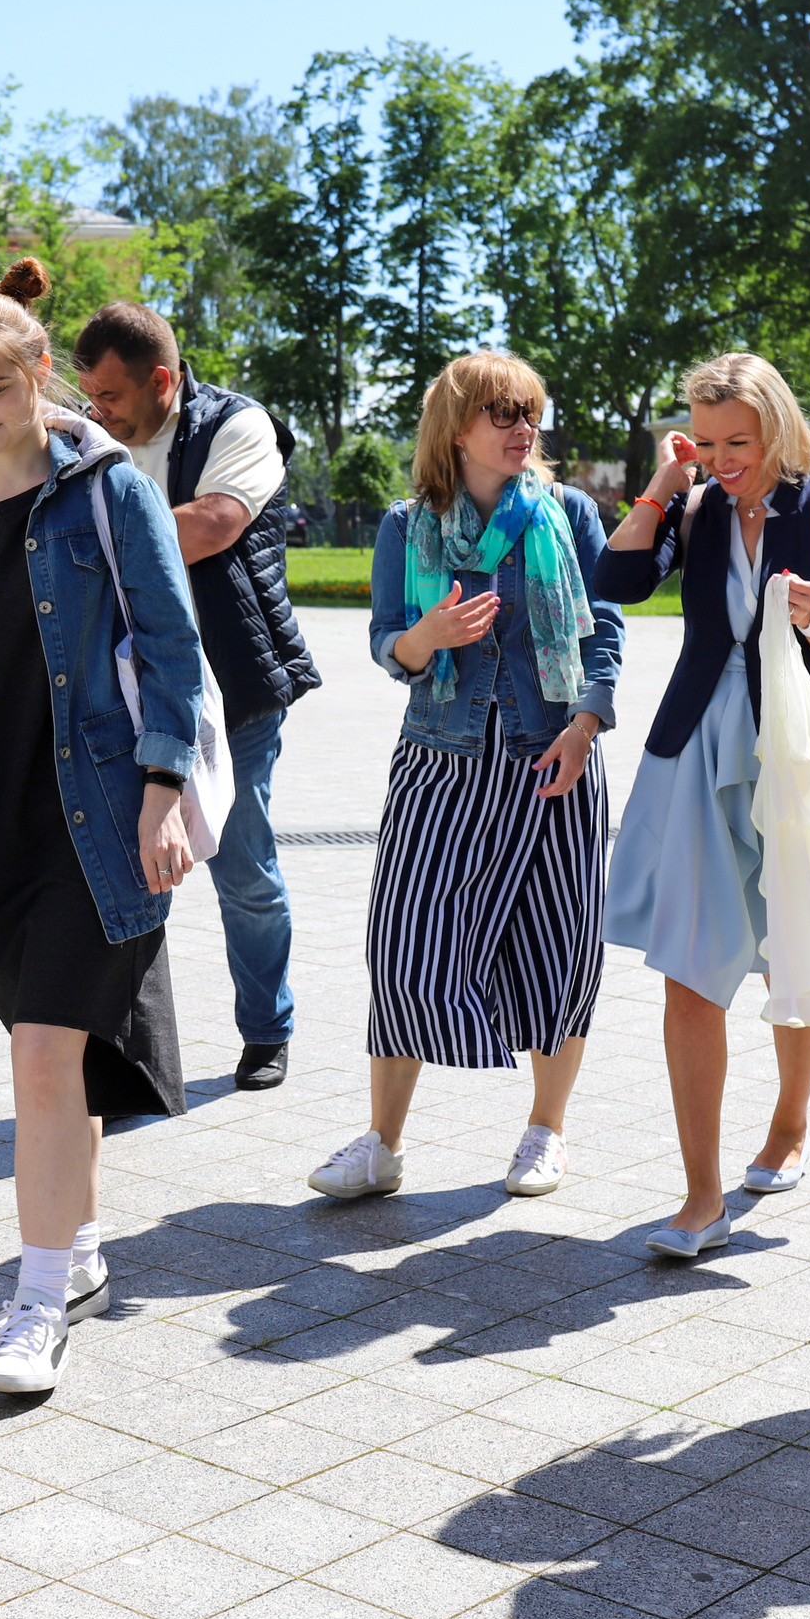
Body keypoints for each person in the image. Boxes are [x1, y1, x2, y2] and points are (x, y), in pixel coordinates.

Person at [0, 259, 207, 1397]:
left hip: (95, 816)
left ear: (38, 371)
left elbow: (171, 648)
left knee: (43, 1056)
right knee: (59, 1059)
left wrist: (164, 786)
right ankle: (84, 1244)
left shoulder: (109, 492)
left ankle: (36, 1301)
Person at [305, 352, 623, 1207]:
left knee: (556, 945)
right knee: (406, 945)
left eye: (531, 413)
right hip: (438, 760)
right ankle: (383, 1144)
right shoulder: (406, 527)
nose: (524, 430)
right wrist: (427, 637)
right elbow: (385, 644)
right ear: (457, 428)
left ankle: (546, 1130)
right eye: (503, 414)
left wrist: (586, 726)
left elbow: (607, 631)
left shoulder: (570, 515)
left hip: (551, 759)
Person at [599, 353, 810, 1256]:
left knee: (792, 945)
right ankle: (699, 1197)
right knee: (689, 968)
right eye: (708, 439)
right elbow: (611, 582)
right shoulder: (691, 509)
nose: (724, 458)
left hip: (796, 757)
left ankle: (790, 1126)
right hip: (696, 751)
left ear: (777, 427)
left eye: (740, 440)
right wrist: (662, 482)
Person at [73, 303, 322, 1091]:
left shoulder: (239, 428)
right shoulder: (87, 438)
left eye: (110, 396)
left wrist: (92, 551)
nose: (96, 411)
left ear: (163, 380)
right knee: (121, 872)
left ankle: (265, 1028)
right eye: (88, 395)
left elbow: (212, 525)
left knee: (240, 867)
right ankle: (126, 1050)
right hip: (121, 693)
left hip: (233, 691)